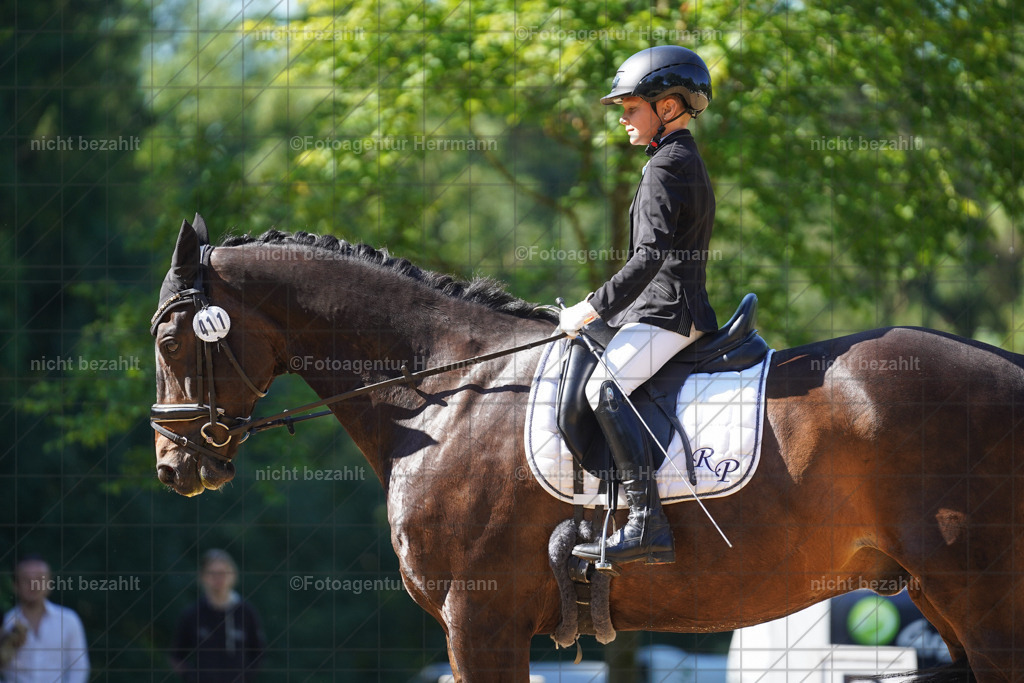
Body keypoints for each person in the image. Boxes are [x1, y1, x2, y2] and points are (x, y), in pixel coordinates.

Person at [559, 46, 718, 566]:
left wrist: (592, 306)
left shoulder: (665, 168)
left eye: (631, 109)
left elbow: (650, 258)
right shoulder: (679, 158)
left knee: (604, 389)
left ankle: (647, 522)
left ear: (668, 108)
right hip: (663, 308)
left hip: (668, 313)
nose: (623, 119)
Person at [171, 550, 265, 683]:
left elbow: (258, 653)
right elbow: (177, 656)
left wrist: (244, 677)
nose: (218, 578)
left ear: (233, 574)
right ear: (202, 576)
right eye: (212, 573)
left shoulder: (246, 613)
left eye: (222, 573)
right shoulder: (192, 615)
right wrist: (191, 677)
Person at [1, 555, 90, 682]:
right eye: (26, 580)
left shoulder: (69, 620)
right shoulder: (5, 622)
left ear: (49, 583)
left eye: (39, 579)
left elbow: (79, 667)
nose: (34, 585)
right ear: (15, 585)